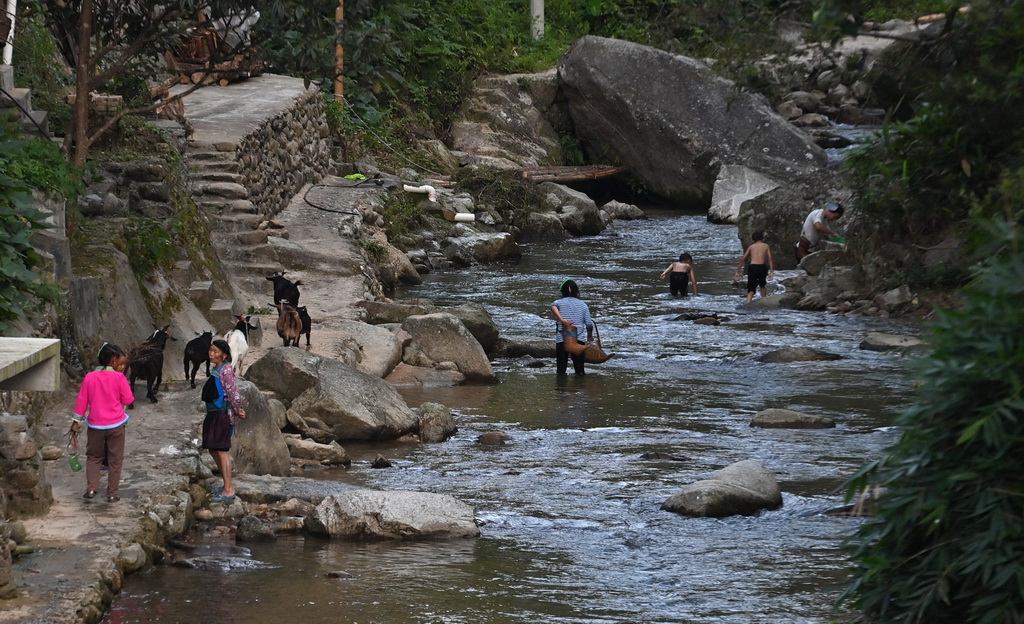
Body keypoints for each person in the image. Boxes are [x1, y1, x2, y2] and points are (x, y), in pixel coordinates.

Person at [70, 342, 134, 503]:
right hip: (116, 425)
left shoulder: (90, 377)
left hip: (95, 426)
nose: (122, 367)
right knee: (115, 460)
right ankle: (112, 493)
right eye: (121, 363)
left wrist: (75, 422)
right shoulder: (119, 378)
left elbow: (82, 401)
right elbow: (129, 399)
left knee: (93, 457)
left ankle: (91, 488)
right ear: (113, 360)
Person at [201, 339, 247, 503]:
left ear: (224, 355)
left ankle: (229, 489)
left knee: (221, 450)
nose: (211, 354)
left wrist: (237, 409)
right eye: (211, 350)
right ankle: (225, 484)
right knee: (213, 449)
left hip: (222, 414)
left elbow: (233, 392)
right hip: (213, 413)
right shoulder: (217, 369)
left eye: (215, 351)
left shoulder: (226, 371)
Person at [550, 279, 594, 376]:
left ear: (563, 291)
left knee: (561, 370)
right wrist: (590, 336)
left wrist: (562, 321)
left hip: (563, 339)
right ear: (576, 291)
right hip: (578, 340)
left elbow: (552, 306)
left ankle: (561, 388)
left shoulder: (559, 302)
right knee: (580, 371)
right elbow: (589, 324)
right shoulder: (583, 305)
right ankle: (579, 388)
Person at [735, 231, 775, 303]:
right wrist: (771, 272)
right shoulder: (766, 246)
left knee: (751, 288)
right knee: (762, 285)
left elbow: (743, 259)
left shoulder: (751, 247)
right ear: (763, 239)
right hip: (762, 267)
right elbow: (770, 259)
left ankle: (748, 302)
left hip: (752, 267)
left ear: (753, 240)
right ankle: (764, 301)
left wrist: (737, 271)